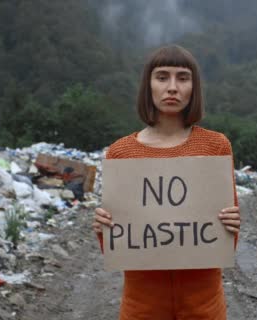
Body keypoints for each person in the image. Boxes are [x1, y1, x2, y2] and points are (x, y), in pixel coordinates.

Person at [92, 44, 240, 320]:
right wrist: (105, 228)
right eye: (162, 77)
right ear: (148, 86)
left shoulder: (215, 146)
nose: (172, 87)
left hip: (204, 305)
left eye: (183, 78)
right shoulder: (121, 152)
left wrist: (232, 223)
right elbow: (120, 245)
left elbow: (225, 240)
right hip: (141, 306)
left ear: (194, 88)